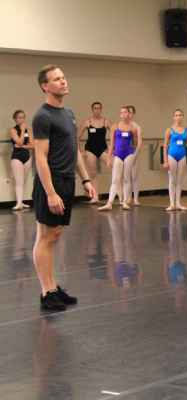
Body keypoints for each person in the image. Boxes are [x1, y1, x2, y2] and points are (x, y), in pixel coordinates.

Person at [32, 64, 96, 311]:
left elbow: (75, 150)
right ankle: (46, 290)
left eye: (63, 77)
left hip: (68, 180)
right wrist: (50, 193)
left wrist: (86, 180)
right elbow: (40, 158)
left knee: (54, 235)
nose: (63, 81)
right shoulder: (42, 116)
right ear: (45, 86)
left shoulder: (68, 113)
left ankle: (52, 285)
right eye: (56, 79)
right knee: (46, 237)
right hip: (52, 181)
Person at [98, 107, 138, 211]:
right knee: (115, 179)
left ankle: (124, 201)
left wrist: (129, 149)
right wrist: (109, 158)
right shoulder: (115, 127)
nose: (123, 114)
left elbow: (134, 143)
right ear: (120, 115)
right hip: (118, 155)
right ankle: (109, 202)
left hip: (128, 154)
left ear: (129, 114)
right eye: (121, 112)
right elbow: (111, 143)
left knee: (126, 179)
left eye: (125, 112)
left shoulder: (133, 128)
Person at [77, 102, 112, 203]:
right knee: (93, 174)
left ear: (101, 109)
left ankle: (120, 194)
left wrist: (112, 148)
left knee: (116, 165)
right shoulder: (87, 122)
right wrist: (80, 151)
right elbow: (77, 136)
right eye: (95, 108)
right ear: (92, 110)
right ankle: (95, 196)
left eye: (99, 108)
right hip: (90, 150)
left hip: (103, 149)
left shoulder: (106, 122)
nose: (97, 110)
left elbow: (116, 134)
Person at [163, 109, 187, 211]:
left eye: (180, 115)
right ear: (173, 117)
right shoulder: (169, 130)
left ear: (182, 117)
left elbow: (185, 143)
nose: (178, 117)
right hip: (171, 155)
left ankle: (178, 203)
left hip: (182, 155)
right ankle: (172, 203)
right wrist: (165, 161)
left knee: (179, 180)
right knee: (172, 179)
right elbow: (165, 145)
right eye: (176, 115)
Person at [10, 110, 35, 210]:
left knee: (24, 180)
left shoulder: (28, 130)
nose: (22, 119)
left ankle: (21, 201)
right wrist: (22, 130)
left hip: (27, 157)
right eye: (19, 118)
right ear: (15, 119)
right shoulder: (13, 130)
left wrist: (23, 147)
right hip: (16, 157)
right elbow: (19, 142)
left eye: (23, 117)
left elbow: (32, 146)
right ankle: (18, 203)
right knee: (19, 181)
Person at [127, 105, 143, 206]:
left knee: (134, 177)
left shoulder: (137, 127)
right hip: (125, 153)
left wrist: (134, 155)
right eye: (127, 112)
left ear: (133, 114)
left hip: (135, 153)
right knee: (126, 177)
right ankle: (127, 198)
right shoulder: (122, 126)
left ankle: (135, 198)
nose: (129, 114)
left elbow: (140, 143)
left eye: (131, 113)